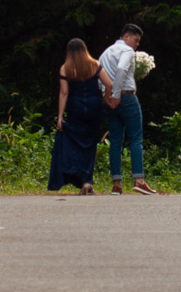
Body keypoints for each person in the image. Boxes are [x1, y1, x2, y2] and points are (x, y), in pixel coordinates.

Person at [97, 23, 157, 194]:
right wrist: (116, 94)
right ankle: (139, 179)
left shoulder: (105, 53)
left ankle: (116, 183)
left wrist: (106, 95)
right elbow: (121, 68)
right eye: (136, 40)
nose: (137, 45)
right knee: (136, 138)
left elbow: (99, 75)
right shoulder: (127, 51)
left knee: (116, 140)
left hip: (108, 99)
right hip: (126, 97)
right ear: (126, 37)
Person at [48, 38, 106, 194]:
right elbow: (109, 84)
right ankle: (88, 180)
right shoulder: (95, 64)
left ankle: (79, 177)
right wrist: (108, 98)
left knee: (76, 143)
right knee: (91, 143)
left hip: (75, 108)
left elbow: (64, 92)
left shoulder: (65, 68)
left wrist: (60, 115)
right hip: (94, 107)